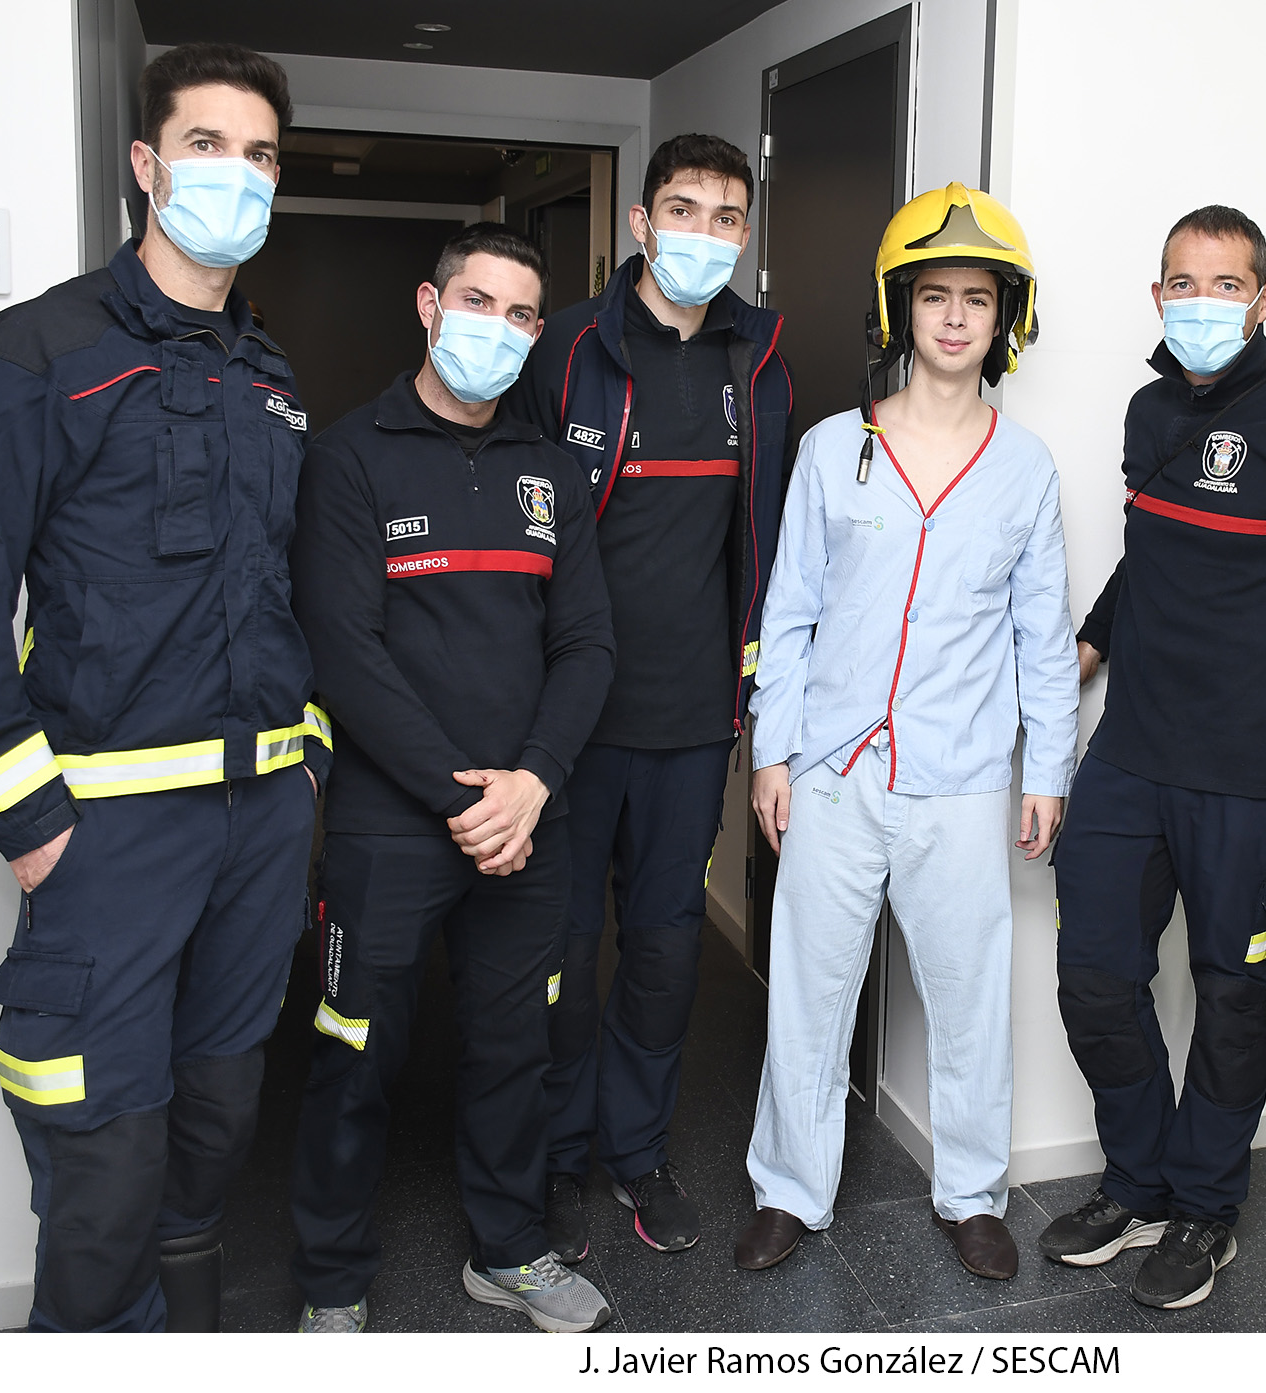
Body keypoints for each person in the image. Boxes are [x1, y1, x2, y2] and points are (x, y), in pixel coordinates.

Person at [0, 44, 323, 1332]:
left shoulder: (272, 379)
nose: (235, 177)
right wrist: (31, 826)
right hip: (110, 834)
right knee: (100, 1140)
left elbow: (276, 598)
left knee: (219, 1111)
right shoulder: (41, 350)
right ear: (145, 166)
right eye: (207, 147)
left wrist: (302, 775)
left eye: (258, 156)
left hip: (257, 829)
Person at [1045, 206, 1266, 1310]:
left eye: (1226, 283)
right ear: (1155, 297)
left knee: (1225, 997)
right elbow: (1147, 550)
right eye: (1182, 283)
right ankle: (1140, 1175)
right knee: (1095, 979)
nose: (1202, 302)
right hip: (1129, 758)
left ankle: (1202, 1206)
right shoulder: (1148, 409)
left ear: (1264, 299)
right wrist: (1089, 640)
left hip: (1254, 778)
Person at [733, 184, 1077, 1281]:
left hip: (962, 775)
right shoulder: (836, 448)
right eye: (934, 295)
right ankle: (789, 1189)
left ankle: (971, 1193)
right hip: (834, 771)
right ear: (900, 310)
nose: (955, 318)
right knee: (808, 990)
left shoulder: (1023, 470)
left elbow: (1041, 635)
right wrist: (771, 751)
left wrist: (1046, 772)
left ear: (1004, 318)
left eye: (978, 298)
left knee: (971, 993)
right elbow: (786, 612)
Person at [286, 225, 616, 1334]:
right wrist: (464, 795)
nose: (499, 329)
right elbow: (345, 652)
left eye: (522, 314)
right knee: (354, 1052)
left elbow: (588, 647)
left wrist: (531, 782)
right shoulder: (347, 458)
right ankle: (331, 1277)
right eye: (478, 302)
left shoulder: (550, 471)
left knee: (516, 1044)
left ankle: (509, 1248)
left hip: (529, 821)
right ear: (429, 304)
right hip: (392, 823)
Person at [505, 134, 790, 1258]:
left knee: (667, 954)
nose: (703, 235)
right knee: (565, 955)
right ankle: (560, 1158)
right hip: (568, 724)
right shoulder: (565, 346)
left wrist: (761, 706)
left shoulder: (758, 356)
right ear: (637, 222)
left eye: (726, 217)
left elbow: (765, 542)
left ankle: (638, 1150)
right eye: (683, 210)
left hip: (689, 720)